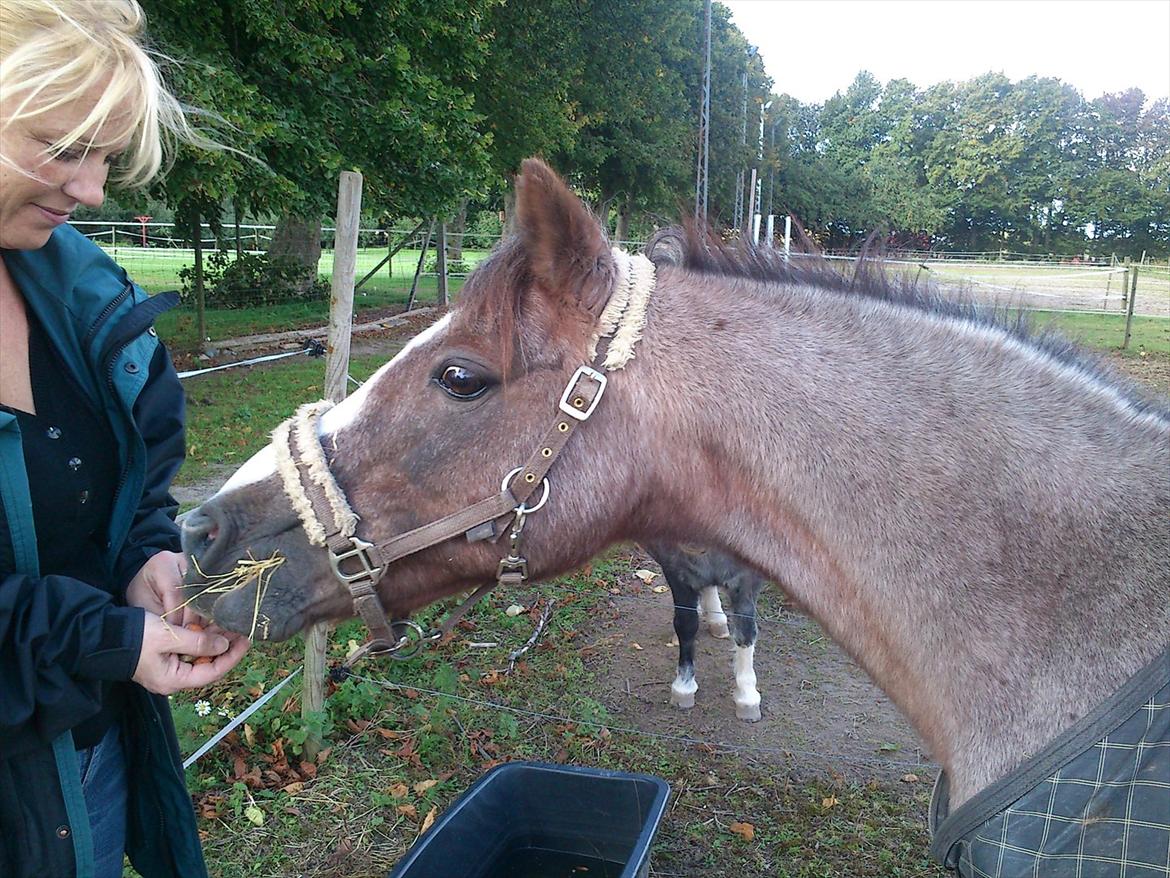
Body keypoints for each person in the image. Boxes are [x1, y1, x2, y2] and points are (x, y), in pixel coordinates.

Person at [0, 2, 250, 876]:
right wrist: (104, 641)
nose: (95, 190)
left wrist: (146, 556)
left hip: (85, 763)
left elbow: (130, 483)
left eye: (104, 156)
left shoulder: (75, 294)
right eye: (65, 148)